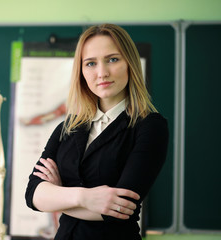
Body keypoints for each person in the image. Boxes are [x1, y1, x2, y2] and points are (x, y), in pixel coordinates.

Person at [25, 23, 169, 239]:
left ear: (130, 63)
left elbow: (120, 209)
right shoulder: (68, 127)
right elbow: (33, 195)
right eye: (91, 63)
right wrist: (84, 197)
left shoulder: (150, 126)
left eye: (113, 59)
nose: (102, 73)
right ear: (81, 72)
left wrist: (58, 196)